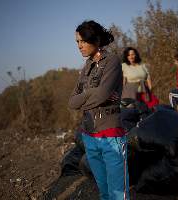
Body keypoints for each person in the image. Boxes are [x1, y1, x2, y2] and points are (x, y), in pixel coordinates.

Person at [68, 20, 130, 200]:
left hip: (110, 135)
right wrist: (94, 93)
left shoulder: (111, 61)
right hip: (89, 135)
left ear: (94, 39)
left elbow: (102, 95)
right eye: (77, 42)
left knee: (118, 193)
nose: (79, 46)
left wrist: (90, 96)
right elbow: (72, 102)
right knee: (103, 192)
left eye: (82, 41)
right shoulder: (86, 66)